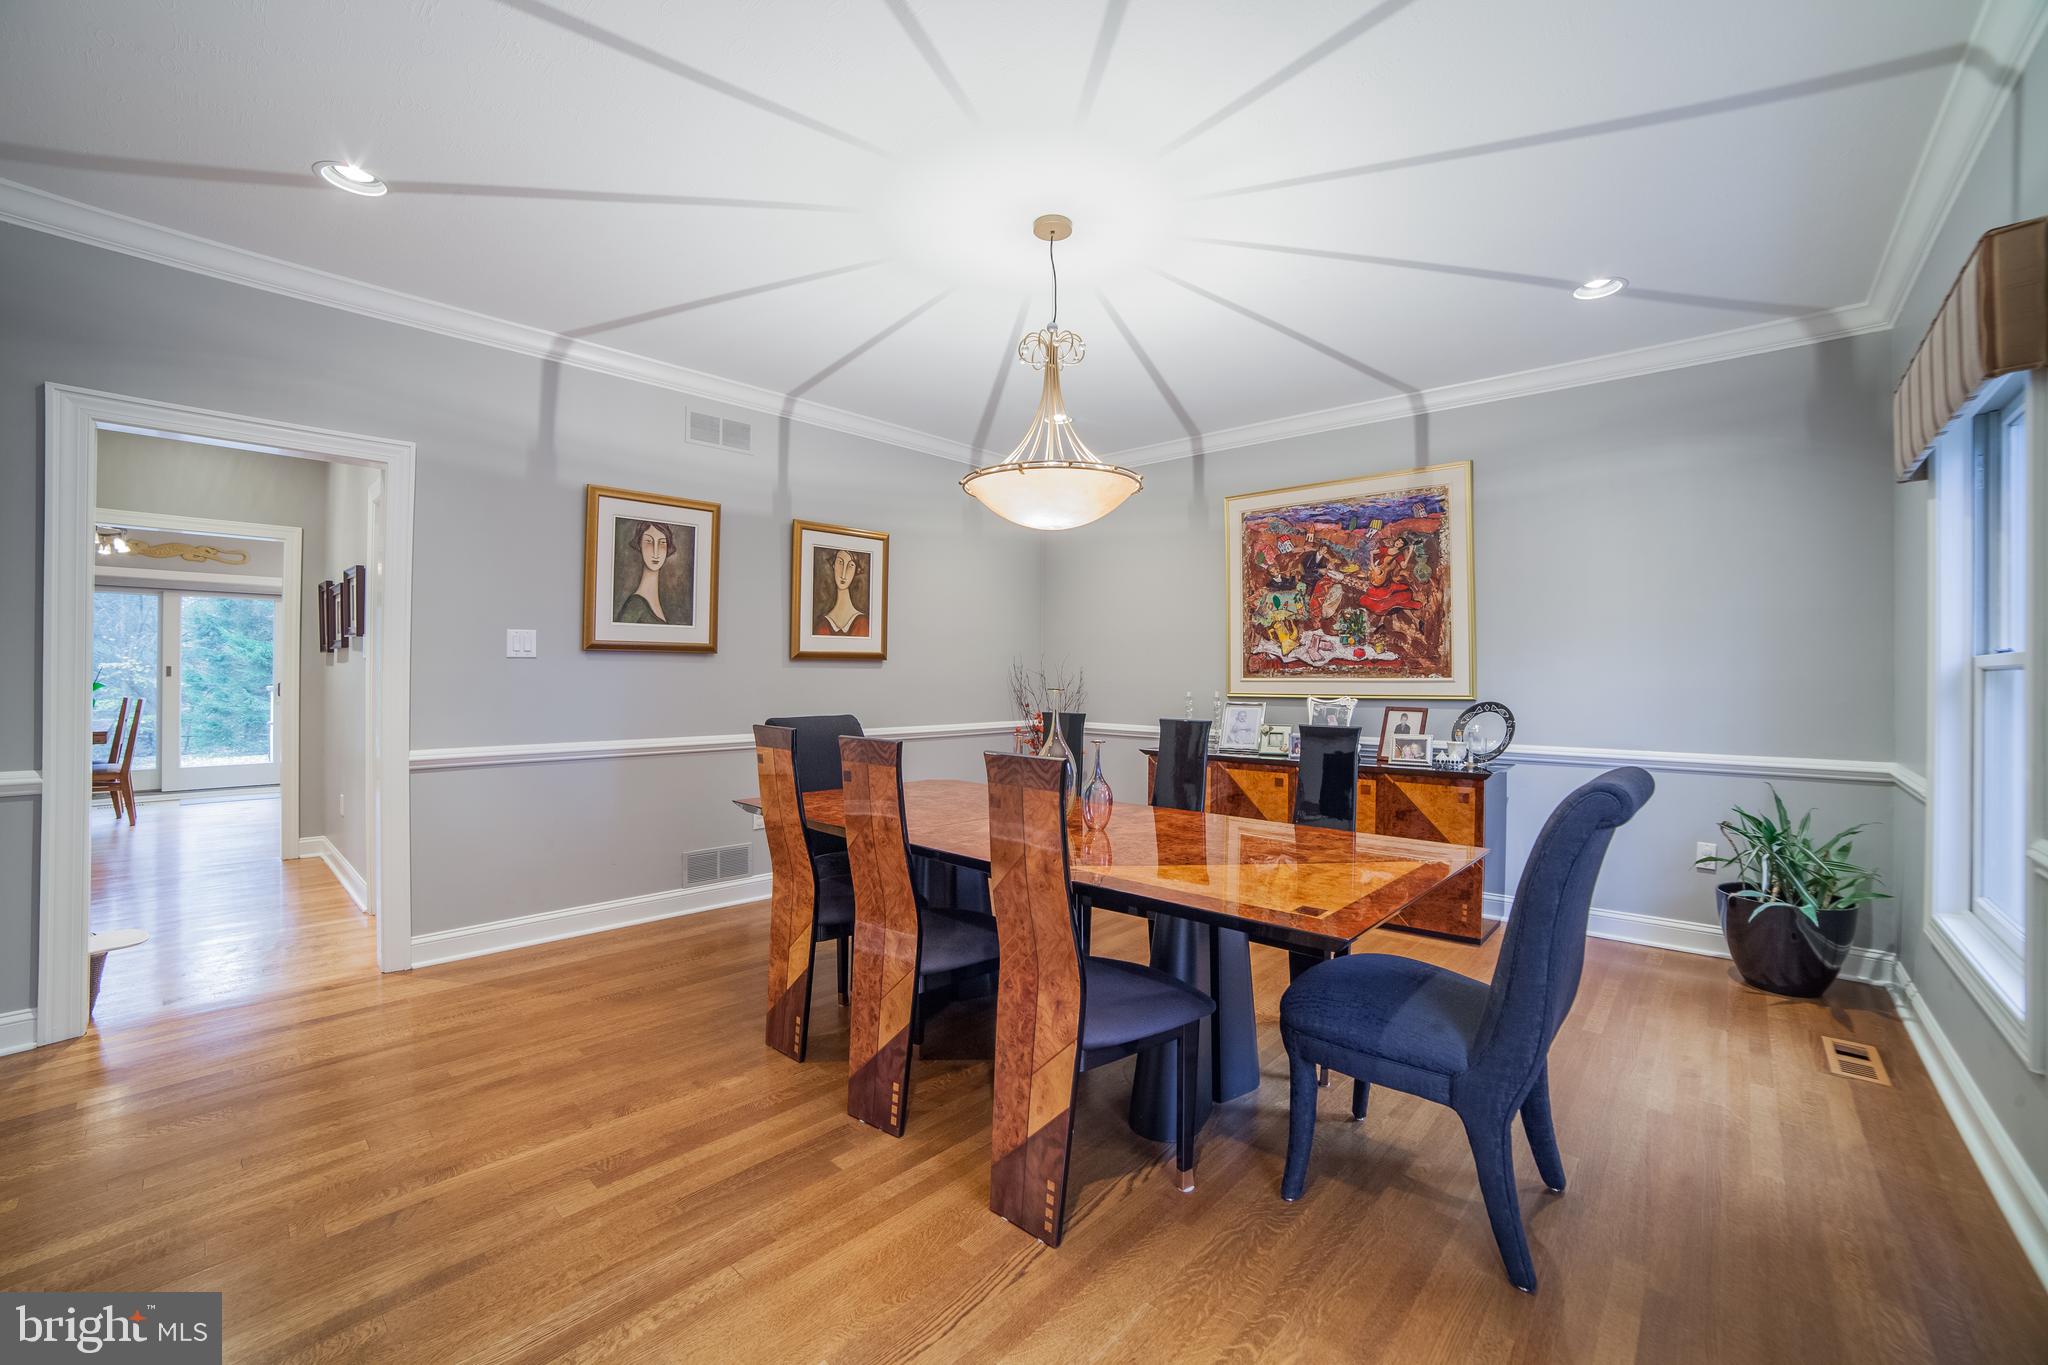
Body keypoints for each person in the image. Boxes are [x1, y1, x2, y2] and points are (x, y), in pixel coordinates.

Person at [615, 521, 675, 624]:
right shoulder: (634, 606)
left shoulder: (665, 604)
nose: (655, 553)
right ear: (639, 545)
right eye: (649, 542)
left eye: (662, 543)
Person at [813, 546, 868, 637]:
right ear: (833, 565)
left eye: (851, 565)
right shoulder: (821, 625)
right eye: (840, 562)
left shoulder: (863, 623)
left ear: (856, 570)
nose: (843, 574)